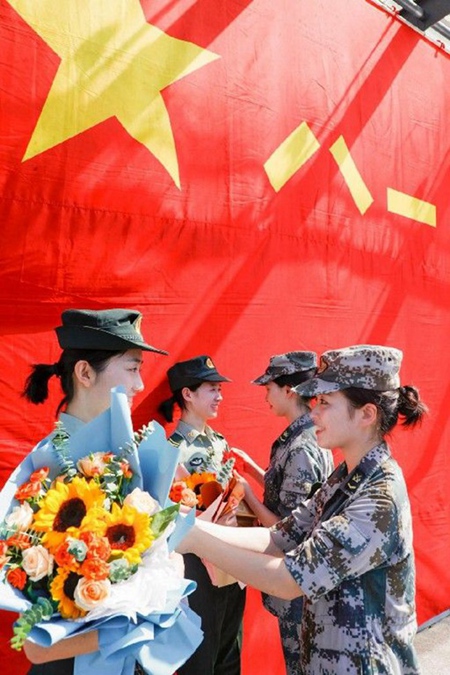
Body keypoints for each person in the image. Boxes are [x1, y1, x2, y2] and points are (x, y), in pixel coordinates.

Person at [176, 345, 428, 674]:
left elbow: (287, 580)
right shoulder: (346, 477)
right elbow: (280, 536)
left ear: (367, 414)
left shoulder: (379, 497)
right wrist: (187, 525)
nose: (314, 413)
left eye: (325, 403)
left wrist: (194, 539)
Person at [20, 308, 168, 675]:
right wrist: (138, 622)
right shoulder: (47, 472)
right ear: (85, 373)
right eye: (132, 368)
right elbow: (36, 646)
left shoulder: (123, 459)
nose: (140, 385)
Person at [232, 351, 333, 675]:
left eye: (269, 388)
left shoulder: (301, 446)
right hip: (306, 578)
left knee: (300, 665)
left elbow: (288, 529)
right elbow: (295, 498)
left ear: (288, 391)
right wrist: (253, 471)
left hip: (297, 581)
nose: (265, 397)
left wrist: (247, 494)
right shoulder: (307, 436)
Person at [159, 355, 245, 675]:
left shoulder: (219, 442)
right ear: (188, 394)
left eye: (219, 389)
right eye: (212, 389)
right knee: (201, 656)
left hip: (231, 560)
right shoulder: (172, 449)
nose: (219, 396)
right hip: (196, 562)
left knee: (229, 652)